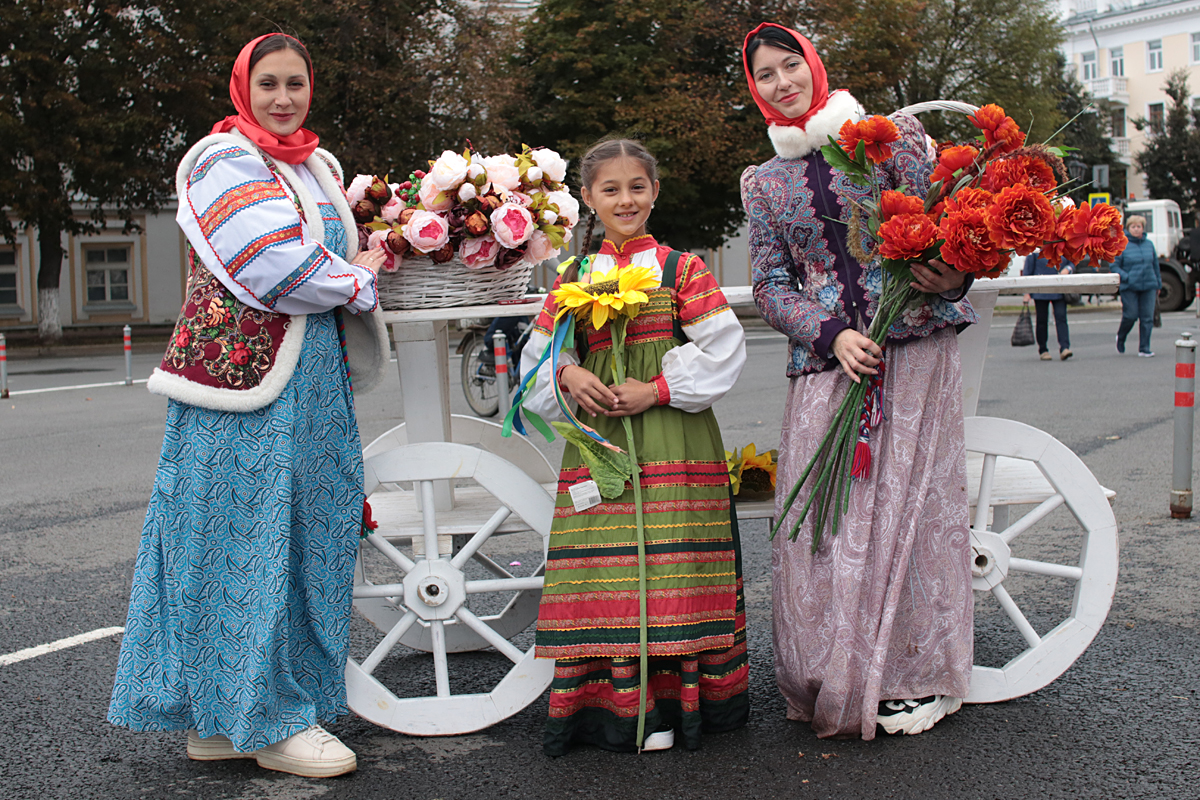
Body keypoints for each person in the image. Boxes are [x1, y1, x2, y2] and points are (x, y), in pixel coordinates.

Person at [108, 33, 391, 778]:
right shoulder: (220, 158)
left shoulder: (314, 164)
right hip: (242, 386)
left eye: (296, 83)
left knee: (306, 535)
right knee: (241, 544)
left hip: (312, 380)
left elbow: (321, 255)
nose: (283, 97)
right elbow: (273, 266)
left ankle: (228, 718)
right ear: (243, 88)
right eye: (268, 82)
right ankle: (264, 720)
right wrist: (359, 281)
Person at [739, 23, 978, 740]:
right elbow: (768, 281)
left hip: (914, 346)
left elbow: (950, 228)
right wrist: (832, 334)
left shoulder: (892, 140)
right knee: (824, 518)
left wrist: (954, 271)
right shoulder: (763, 182)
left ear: (815, 66)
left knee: (911, 511)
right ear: (757, 91)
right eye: (767, 75)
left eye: (792, 66)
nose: (785, 83)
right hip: (827, 364)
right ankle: (829, 667)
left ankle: (911, 673)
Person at [519, 138, 750, 755]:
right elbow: (537, 359)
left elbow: (725, 348)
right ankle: (621, 708)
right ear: (588, 198)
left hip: (672, 432)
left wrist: (658, 388)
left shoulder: (682, 270)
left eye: (637, 187)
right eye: (610, 189)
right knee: (609, 561)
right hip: (601, 440)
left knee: (677, 560)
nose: (626, 199)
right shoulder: (571, 278)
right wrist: (568, 374)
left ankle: (677, 705)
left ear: (655, 192)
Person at [1112, 214, 1162, 357]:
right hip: (1130, 286)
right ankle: (1121, 337)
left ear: (1142, 228)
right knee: (1131, 315)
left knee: (1147, 318)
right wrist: (1127, 277)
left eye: (1139, 226)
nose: (1136, 229)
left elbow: (1155, 265)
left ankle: (1144, 348)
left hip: (1149, 285)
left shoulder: (1149, 244)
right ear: (1128, 228)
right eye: (1133, 227)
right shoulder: (1122, 244)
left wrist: (1158, 284)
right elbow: (1114, 266)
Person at [1022, 251, 1074, 361]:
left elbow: (1072, 261)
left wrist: (1068, 269)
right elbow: (1028, 270)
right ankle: (1043, 349)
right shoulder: (1035, 250)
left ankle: (1064, 347)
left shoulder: (1061, 244)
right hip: (1041, 289)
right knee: (1042, 320)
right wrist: (1026, 292)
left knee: (1061, 317)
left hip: (1060, 288)